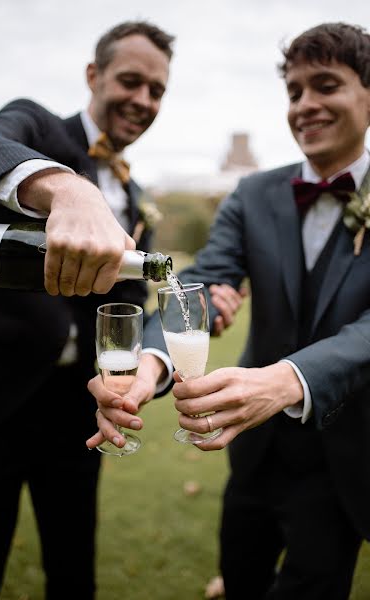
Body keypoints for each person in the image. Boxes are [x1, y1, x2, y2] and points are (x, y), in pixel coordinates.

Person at [88, 22, 370, 600]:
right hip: (253, 449)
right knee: (240, 578)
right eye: (294, 92)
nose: (305, 106)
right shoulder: (254, 194)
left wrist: (290, 380)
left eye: (325, 85)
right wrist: (151, 363)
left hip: (347, 453)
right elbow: (202, 280)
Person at [0, 21, 175, 600]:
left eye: (156, 90)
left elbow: (125, 306)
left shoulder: (136, 199)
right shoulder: (34, 125)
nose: (142, 100)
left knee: (73, 568)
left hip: (77, 412)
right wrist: (69, 190)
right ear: (94, 75)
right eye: (130, 81)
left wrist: (130, 376)